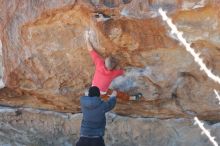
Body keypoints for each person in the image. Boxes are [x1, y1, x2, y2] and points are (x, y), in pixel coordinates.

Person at [85, 30, 142, 101]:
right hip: (103, 92)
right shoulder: (114, 73)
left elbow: (90, 50)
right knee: (116, 94)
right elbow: (124, 71)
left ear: (104, 62)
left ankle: (100, 100)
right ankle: (131, 98)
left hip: (94, 90)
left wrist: (87, 38)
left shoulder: (99, 64)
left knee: (105, 95)